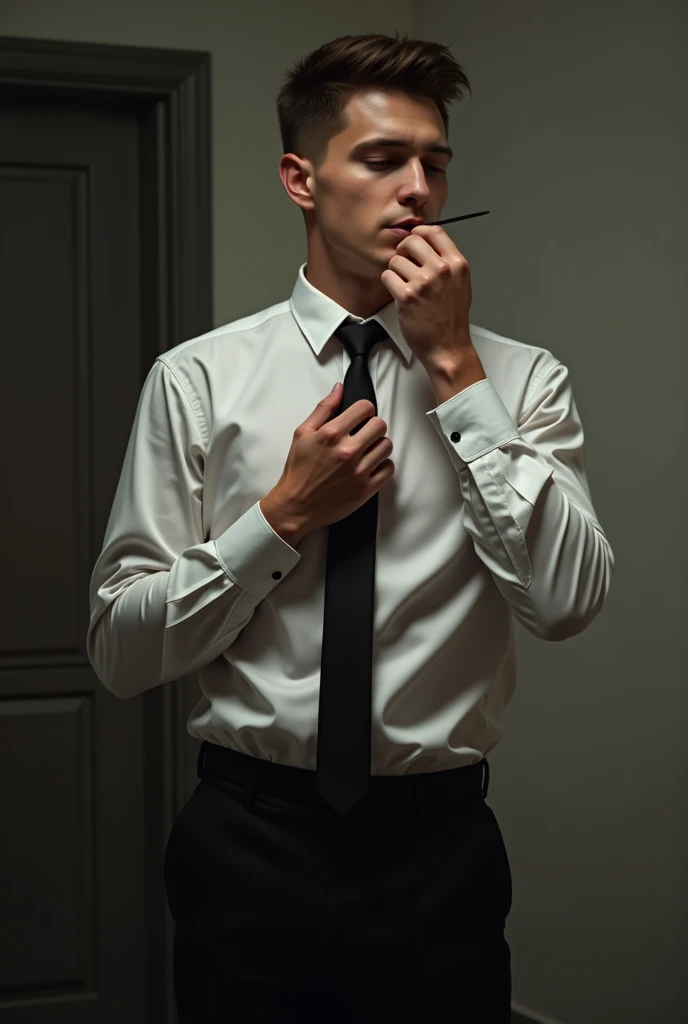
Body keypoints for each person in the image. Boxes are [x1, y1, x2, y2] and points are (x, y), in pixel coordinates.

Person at [87, 30, 614, 1023]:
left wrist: (456, 371)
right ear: (301, 177)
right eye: (381, 159)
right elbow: (120, 649)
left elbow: (566, 603)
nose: (416, 187)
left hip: (440, 848)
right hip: (249, 842)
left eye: (435, 161)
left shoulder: (523, 380)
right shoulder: (198, 380)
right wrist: (282, 515)